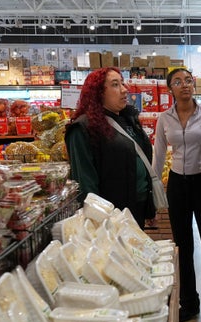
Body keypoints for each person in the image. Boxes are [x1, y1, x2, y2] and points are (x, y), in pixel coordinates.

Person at [154, 68, 201, 322]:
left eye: (188, 81)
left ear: (194, 85)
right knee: (182, 245)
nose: (184, 85)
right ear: (170, 88)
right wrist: (155, 186)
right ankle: (189, 303)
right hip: (177, 184)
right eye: (178, 82)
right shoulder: (164, 118)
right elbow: (159, 153)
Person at [65, 67, 154, 229]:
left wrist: (149, 206)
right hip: (110, 217)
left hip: (136, 207)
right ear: (98, 93)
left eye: (122, 83)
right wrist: (99, 221)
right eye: (115, 84)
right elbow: (85, 183)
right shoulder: (83, 128)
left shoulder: (129, 120)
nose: (124, 89)